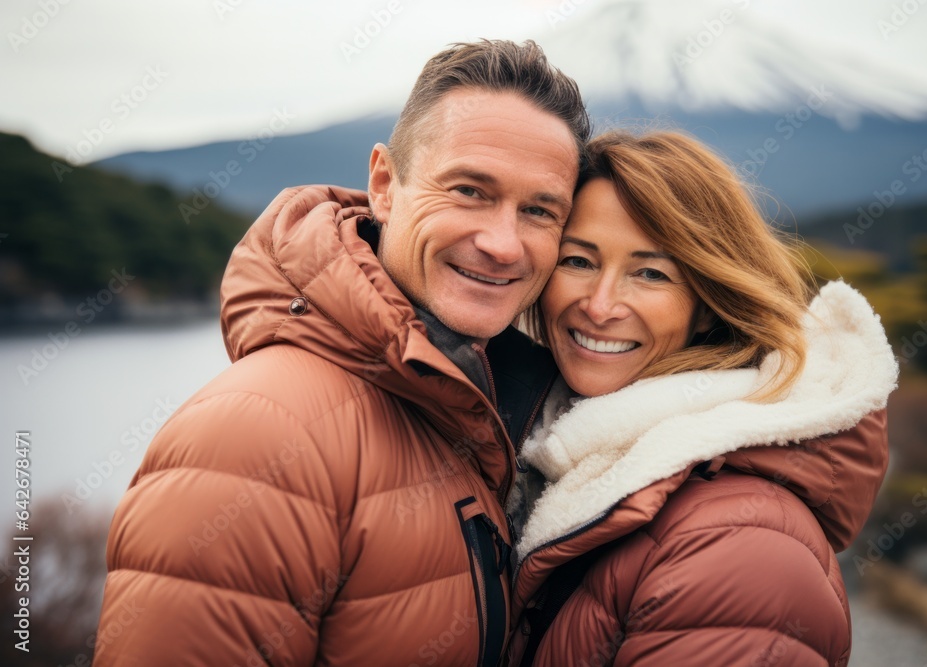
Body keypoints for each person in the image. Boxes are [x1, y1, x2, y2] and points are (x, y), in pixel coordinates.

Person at [94, 40, 589, 666]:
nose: (502, 243)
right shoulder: (257, 438)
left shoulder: (484, 403)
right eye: (469, 191)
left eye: (539, 210)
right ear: (384, 184)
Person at [505, 131, 898, 665]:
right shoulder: (548, 444)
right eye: (578, 261)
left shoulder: (740, 542)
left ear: (711, 303)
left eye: (650, 273)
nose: (599, 306)